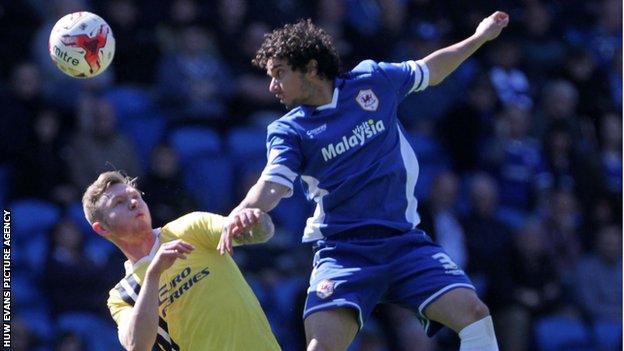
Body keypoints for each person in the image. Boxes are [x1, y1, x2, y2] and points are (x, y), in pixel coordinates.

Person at [219, 12, 509, 351]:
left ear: (311, 68)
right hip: (343, 253)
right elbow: (272, 183)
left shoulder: (373, 79)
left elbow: (431, 69)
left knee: (476, 315)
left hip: (403, 242)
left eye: (280, 74)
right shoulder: (289, 130)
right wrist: (243, 211)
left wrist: (479, 37)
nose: (272, 86)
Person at [82, 171, 280, 350]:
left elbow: (257, 232)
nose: (134, 203)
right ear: (102, 229)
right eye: (119, 202)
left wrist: (255, 221)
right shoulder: (123, 295)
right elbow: (137, 345)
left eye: (135, 196)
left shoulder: (189, 228)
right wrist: (153, 274)